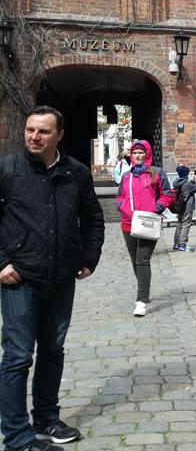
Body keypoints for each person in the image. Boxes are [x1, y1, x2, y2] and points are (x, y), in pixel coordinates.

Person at [0, 106, 104, 451]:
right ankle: (17, 437)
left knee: (52, 350)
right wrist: (2, 263)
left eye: (43, 131)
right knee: (17, 357)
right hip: (19, 278)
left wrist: (88, 258)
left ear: (59, 135)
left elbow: (93, 218)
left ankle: (46, 417)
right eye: (30, 130)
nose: (34, 137)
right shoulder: (8, 169)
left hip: (60, 278)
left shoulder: (76, 172)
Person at [116, 139, 173, 317]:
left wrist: (155, 208)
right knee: (135, 260)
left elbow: (167, 195)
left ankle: (141, 300)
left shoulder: (157, 173)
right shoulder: (127, 176)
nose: (137, 155)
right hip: (128, 222)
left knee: (142, 260)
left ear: (147, 154)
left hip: (148, 221)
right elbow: (120, 197)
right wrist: (124, 208)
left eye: (141, 152)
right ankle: (144, 288)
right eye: (135, 152)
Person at [172, 165, 196, 252]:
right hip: (187, 208)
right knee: (186, 225)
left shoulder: (177, 182)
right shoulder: (187, 184)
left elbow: (186, 185)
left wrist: (192, 181)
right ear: (187, 174)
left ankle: (177, 244)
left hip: (180, 207)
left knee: (179, 224)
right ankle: (183, 245)